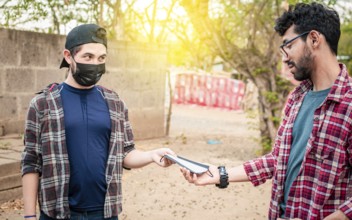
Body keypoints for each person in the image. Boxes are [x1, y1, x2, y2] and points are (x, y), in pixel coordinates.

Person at [181, 2, 352, 220]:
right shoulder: (296, 98)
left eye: (288, 46)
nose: (284, 57)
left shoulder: (349, 103)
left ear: (314, 39)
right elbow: (277, 159)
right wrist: (219, 174)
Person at [21, 23, 175, 220]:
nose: (95, 64)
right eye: (88, 57)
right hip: (57, 213)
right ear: (68, 56)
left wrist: (153, 155)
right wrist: (29, 216)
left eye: (101, 58)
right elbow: (31, 161)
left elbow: (126, 153)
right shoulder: (43, 103)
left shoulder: (114, 102)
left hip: (105, 212)